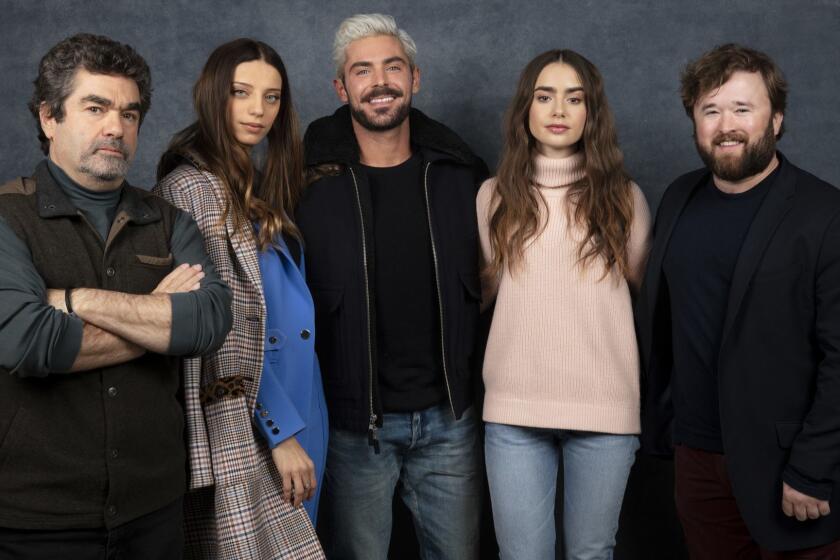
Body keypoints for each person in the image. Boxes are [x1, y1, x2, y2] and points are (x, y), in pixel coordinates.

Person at [0, 33, 232, 560]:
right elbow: (28, 339)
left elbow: (211, 323)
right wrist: (161, 324)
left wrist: (76, 300)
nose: (116, 127)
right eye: (96, 107)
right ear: (48, 118)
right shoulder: (6, 217)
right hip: (35, 520)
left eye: (129, 114)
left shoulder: (169, 221)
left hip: (155, 509)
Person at [296, 13, 488, 560]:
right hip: (356, 424)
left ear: (415, 78)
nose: (379, 81)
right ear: (342, 88)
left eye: (392, 67)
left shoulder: (460, 173)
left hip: (450, 419)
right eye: (362, 70)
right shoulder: (306, 181)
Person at [637, 43, 840, 558]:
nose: (726, 124)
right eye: (711, 110)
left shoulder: (824, 214)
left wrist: (814, 469)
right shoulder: (680, 196)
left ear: (776, 120)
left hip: (790, 469)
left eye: (743, 109)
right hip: (697, 460)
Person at [476, 49, 650, 559]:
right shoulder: (493, 198)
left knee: (590, 554)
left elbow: (643, 297)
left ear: (591, 113)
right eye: (545, 96)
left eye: (575, 99)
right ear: (525, 110)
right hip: (513, 411)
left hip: (605, 412)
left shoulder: (624, 198)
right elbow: (486, 296)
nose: (559, 110)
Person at [155, 38, 326, 559]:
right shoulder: (192, 188)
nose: (258, 110)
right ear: (212, 94)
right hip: (250, 410)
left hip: (303, 397)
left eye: (272, 97)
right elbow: (215, 327)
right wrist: (279, 431)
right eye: (241, 92)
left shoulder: (253, 180)